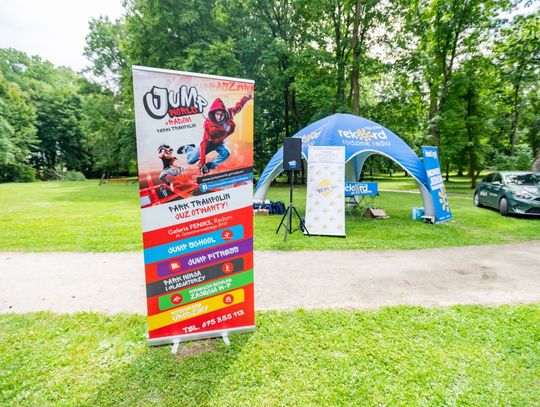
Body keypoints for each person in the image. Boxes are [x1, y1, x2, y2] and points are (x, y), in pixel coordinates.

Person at [178, 94, 252, 174]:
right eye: (217, 114)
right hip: (209, 143)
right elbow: (204, 142)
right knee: (190, 160)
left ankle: (209, 166)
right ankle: (189, 149)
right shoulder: (208, 124)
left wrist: (246, 97)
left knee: (226, 153)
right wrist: (202, 160)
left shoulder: (230, 114)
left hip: (220, 142)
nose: (219, 117)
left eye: (221, 115)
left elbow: (239, 106)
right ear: (214, 114)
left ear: (225, 114)